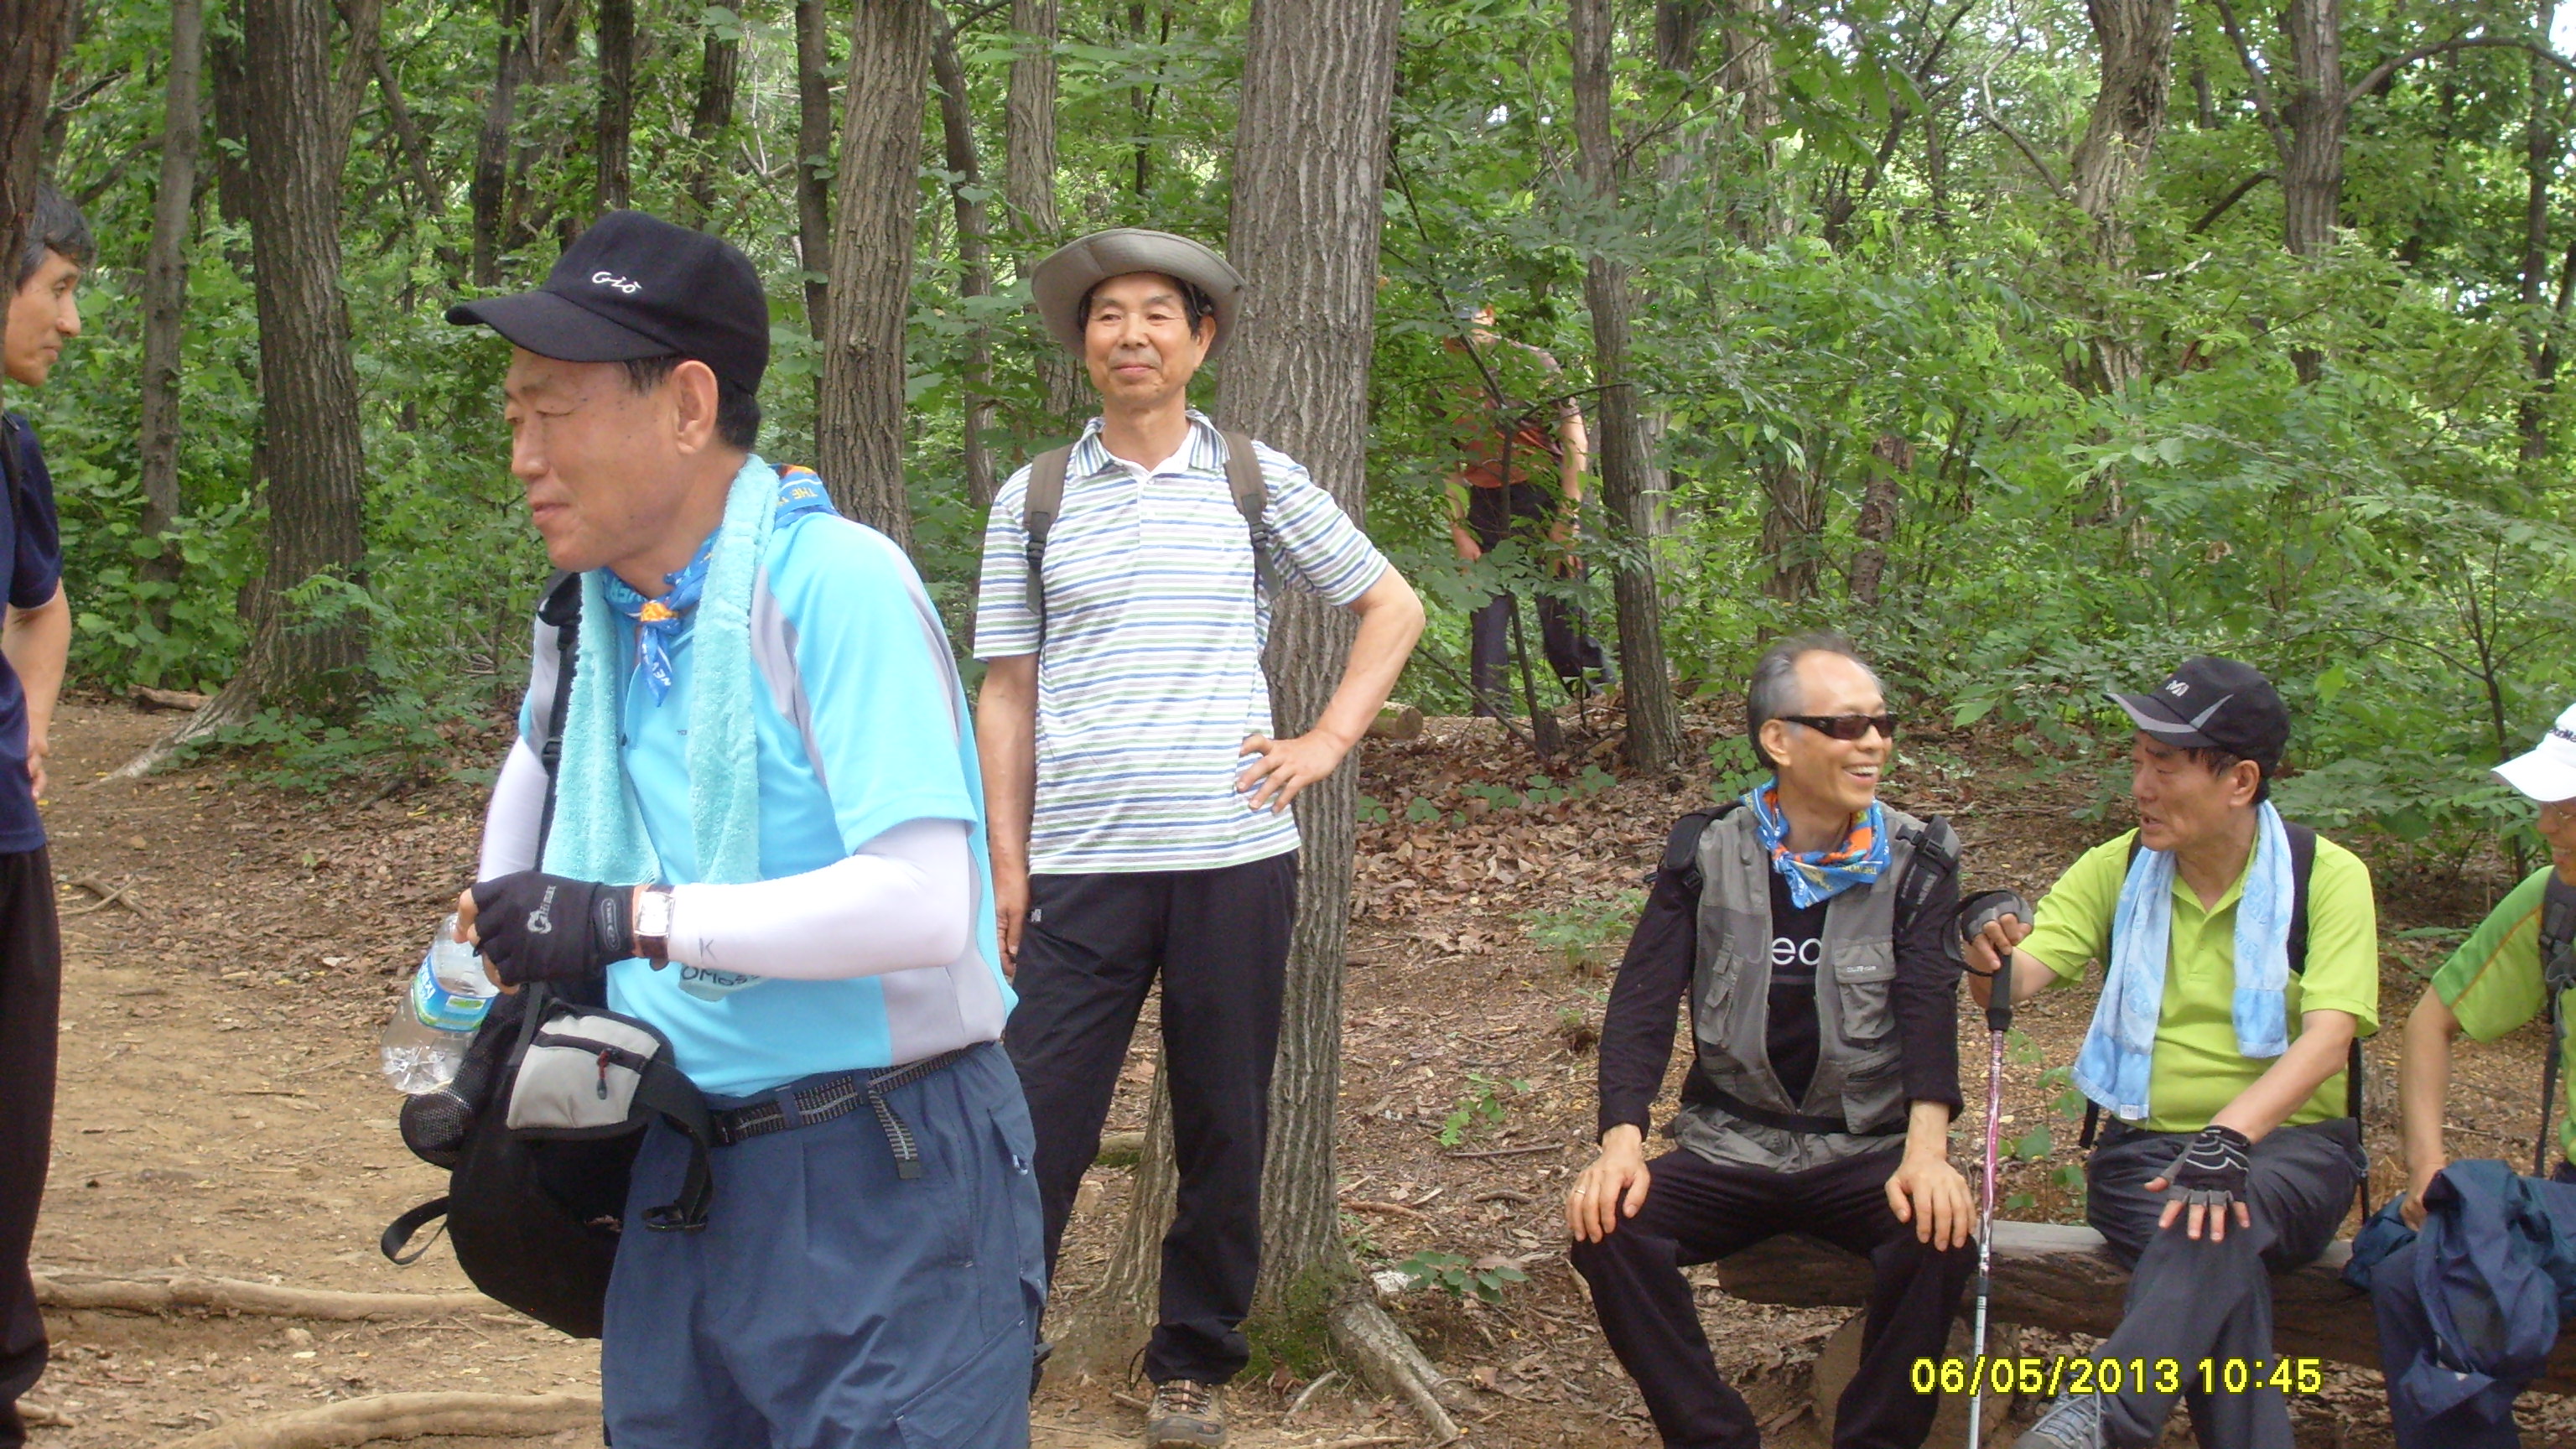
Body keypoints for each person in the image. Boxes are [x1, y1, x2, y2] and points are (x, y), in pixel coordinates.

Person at [447, 210, 1042, 1448]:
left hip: (886, 1156)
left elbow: (925, 904)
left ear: (687, 405)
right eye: (513, 416)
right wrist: (492, 956)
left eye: (553, 412)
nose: (522, 457)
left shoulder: (833, 586)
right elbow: (534, 765)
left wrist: (627, 920)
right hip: (680, 1156)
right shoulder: (599, 616)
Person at [974, 227, 1424, 1448]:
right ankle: (990, 1350)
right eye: (1107, 316)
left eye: (1157, 315)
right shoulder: (1036, 498)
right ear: (1083, 343)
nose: (1131, 335)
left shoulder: (1253, 482)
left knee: (1226, 1121)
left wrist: (1327, 739)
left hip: (1232, 859)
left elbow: (1391, 603)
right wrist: (1006, 862)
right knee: (1033, 1122)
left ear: (1200, 338)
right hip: (1077, 866)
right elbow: (1006, 691)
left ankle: (1193, 1362)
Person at [1566, 633, 1976, 1449]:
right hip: (1734, 1145)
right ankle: (1714, 1437)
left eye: (1882, 724)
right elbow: (1643, 1003)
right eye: (1847, 725)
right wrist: (1621, 1144)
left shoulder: (1919, 860)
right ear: (1779, 740)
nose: (1874, 742)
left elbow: (1930, 1008)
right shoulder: (1706, 851)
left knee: (1940, 1238)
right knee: (1608, 1228)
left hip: (1864, 1148)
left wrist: (1928, 1153)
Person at [1963, 657, 2379, 1449]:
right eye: (2137, 763)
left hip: (2291, 1156)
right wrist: (1984, 945)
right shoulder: (2118, 868)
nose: (2141, 788)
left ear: (2240, 780)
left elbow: (2330, 1038)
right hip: (2142, 1156)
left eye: (2165, 766)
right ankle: (2102, 1422)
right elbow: (2010, 984)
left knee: (2214, 1210)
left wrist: (2229, 1138)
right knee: (2214, 1243)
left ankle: (2105, 1416)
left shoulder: (2325, 876)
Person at [2368, 700, 2576, 1447]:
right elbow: (2430, 1023)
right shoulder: (2553, 902)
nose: (2547, 826)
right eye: (2547, 804)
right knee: (2412, 1272)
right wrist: (2427, 1169)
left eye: (2570, 809)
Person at [0, 186, 84, 1449]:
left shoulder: (10, 453)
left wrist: (32, 733)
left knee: (9, 1130)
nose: (72, 321)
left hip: (7, 849)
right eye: (57, 289)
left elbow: (42, 606)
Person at [1441, 304, 1612, 714]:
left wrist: (1567, 517)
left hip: (1546, 496)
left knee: (1563, 629)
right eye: (1449, 324)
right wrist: (1459, 530)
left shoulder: (1534, 363)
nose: (1459, 333)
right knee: (1487, 625)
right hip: (1485, 505)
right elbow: (1447, 463)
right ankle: (1491, 724)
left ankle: (1602, 711)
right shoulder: (1442, 383)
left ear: (1489, 314)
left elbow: (1574, 437)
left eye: (1468, 319)